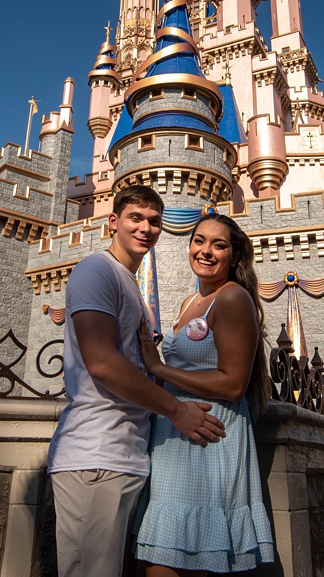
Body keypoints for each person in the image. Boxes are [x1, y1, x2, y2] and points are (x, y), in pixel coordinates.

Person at [47, 186, 227, 577]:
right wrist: (178, 411)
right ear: (113, 222)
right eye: (135, 218)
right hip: (95, 455)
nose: (146, 228)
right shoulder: (96, 270)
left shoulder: (129, 283)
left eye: (154, 221)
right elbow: (102, 363)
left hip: (126, 456)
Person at [134, 212, 277, 575]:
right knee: (165, 556)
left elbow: (233, 383)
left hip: (210, 437)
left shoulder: (232, 298)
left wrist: (159, 367)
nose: (206, 251)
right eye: (199, 241)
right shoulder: (188, 304)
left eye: (219, 245)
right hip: (175, 435)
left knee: (190, 559)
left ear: (235, 256)